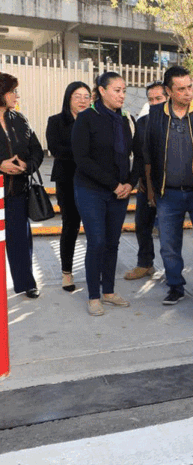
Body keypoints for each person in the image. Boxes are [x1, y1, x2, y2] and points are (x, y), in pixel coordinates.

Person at [144, 66, 193, 305]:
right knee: (169, 245)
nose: (188, 93)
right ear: (168, 91)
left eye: (190, 87)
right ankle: (175, 286)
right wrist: (151, 190)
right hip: (168, 194)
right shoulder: (155, 115)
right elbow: (147, 154)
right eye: (181, 89)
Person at [71, 72, 140, 316]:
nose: (122, 95)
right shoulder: (87, 118)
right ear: (101, 90)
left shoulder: (126, 120)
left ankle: (108, 292)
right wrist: (114, 184)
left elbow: (137, 156)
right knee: (97, 241)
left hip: (119, 192)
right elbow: (82, 160)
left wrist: (130, 184)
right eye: (117, 90)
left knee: (112, 242)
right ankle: (93, 296)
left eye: (124, 90)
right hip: (91, 190)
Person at [0, 73, 43, 299]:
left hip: (17, 191)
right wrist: (0, 165)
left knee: (19, 239)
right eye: (13, 91)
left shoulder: (20, 119)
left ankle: (27, 283)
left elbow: (36, 150)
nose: (17, 96)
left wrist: (27, 166)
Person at [46, 81, 91, 292]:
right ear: (68, 99)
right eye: (77, 96)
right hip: (67, 180)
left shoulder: (95, 121)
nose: (82, 100)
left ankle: (95, 270)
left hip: (92, 181)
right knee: (70, 225)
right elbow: (57, 150)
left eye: (86, 96)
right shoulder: (55, 121)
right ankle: (67, 272)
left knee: (95, 228)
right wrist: (84, 155)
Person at [124, 81, 167, 281]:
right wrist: (140, 179)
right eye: (151, 100)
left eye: (159, 98)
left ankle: (172, 271)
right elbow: (138, 155)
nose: (155, 103)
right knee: (142, 225)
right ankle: (145, 263)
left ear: (168, 98)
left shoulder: (179, 122)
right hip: (146, 184)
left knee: (169, 231)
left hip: (171, 186)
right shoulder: (142, 123)